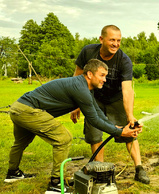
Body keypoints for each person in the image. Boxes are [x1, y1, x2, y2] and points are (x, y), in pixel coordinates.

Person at [4, 59, 141, 193]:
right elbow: (93, 119)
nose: (105, 80)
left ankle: (13, 173)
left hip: (19, 108)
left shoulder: (85, 88)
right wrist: (120, 132)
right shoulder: (80, 88)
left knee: (21, 142)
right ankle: (56, 183)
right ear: (89, 74)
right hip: (27, 110)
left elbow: (97, 112)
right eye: (102, 75)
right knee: (64, 138)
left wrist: (115, 127)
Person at [70, 25, 150, 184]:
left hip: (116, 99)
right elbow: (77, 78)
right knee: (94, 136)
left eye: (118, 40)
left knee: (129, 132)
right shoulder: (88, 52)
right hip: (93, 99)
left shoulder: (124, 60)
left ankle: (139, 168)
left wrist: (130, 116)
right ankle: (100, 171)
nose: (116, 44)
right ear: (101, 39)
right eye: (112, 40)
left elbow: (127, 89)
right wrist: (76, 103)